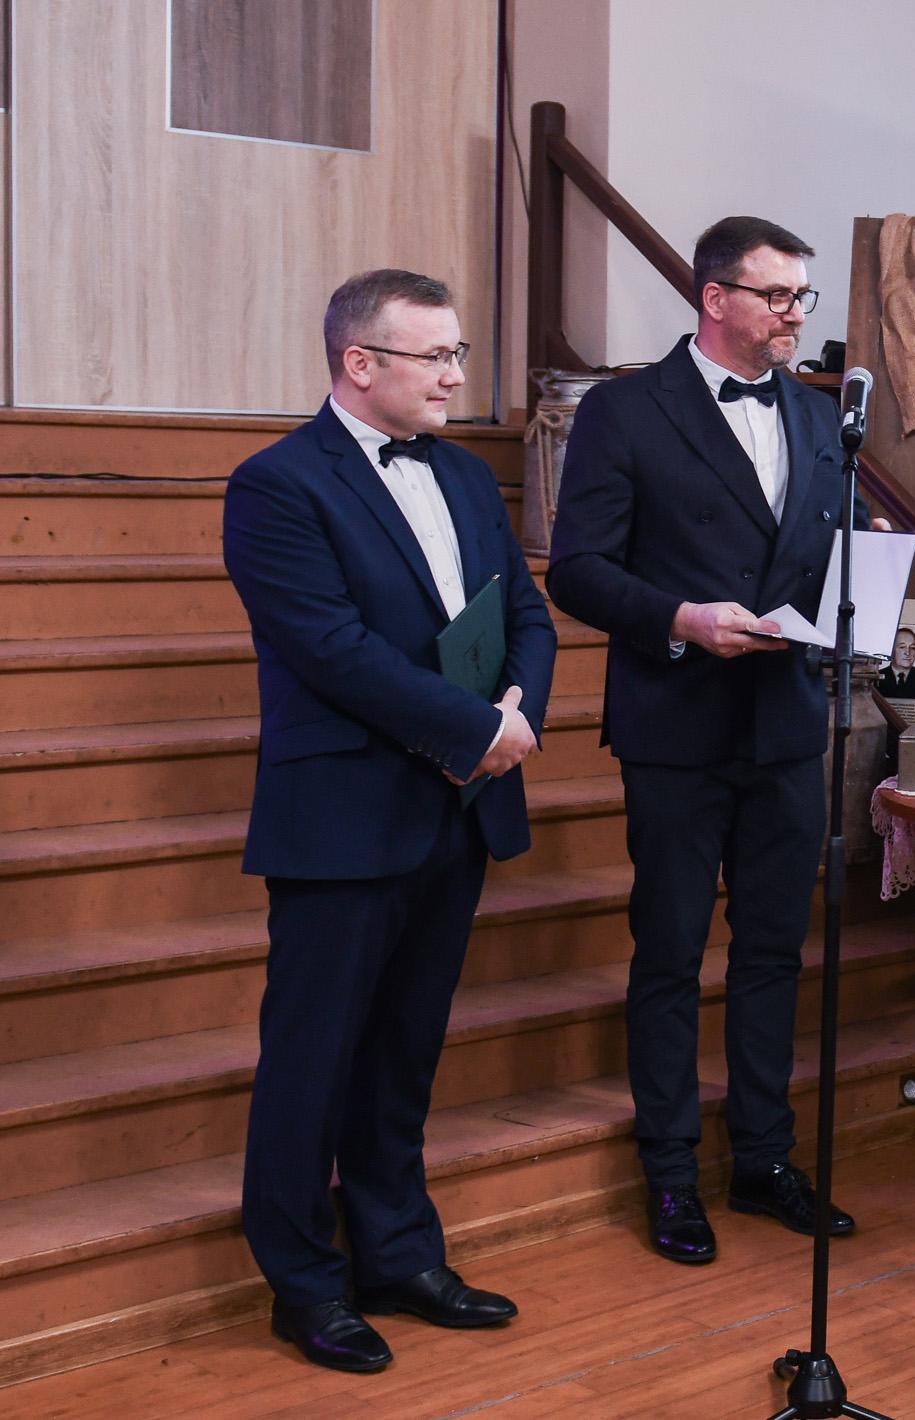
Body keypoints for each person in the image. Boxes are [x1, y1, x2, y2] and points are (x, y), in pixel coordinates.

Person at [223, 269, 557, 1372]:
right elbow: (332, 651)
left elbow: (524, 610)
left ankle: (398, 1254)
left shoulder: (462, 473)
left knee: (406, 1053)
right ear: (359, 363)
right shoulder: (276, 485)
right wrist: (475, 725)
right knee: (312, 1060)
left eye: (458, 353)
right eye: (437, 356)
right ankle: (303, 1281)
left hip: (456, 808)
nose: (457, 375)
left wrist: (519, 707)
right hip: (343, 814)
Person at [548, 216, 883, 1269]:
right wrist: (680, 619)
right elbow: (576, 569)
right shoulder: (624, 411)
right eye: (776, 296)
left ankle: (762, 1157)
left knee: (775, 952)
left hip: (785, 724)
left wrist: (862, 573)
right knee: (670, 953)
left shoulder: (819, 416)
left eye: (800, 298)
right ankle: (669, 1172)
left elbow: (819, 556)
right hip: (677, 723)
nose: (794, 315)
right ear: (714, 298)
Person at [879, 626, 915, 699]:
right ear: (891, 650)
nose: (907, 653)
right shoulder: (875, 679)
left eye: (912, 648)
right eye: (902, 647)